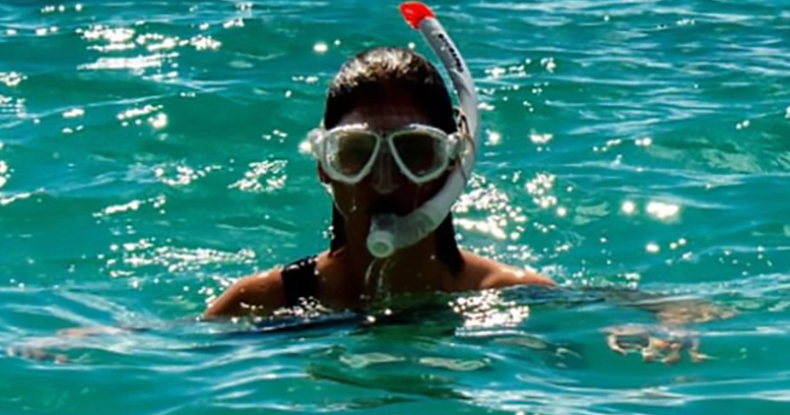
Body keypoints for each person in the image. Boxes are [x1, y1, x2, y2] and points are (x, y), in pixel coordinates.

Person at [204, 41, 549, 316]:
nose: (384, 180)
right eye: (356, 152)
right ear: (325, 166)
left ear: (452, 166)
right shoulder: (261, 304)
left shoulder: (516, 301)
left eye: (414, 151)